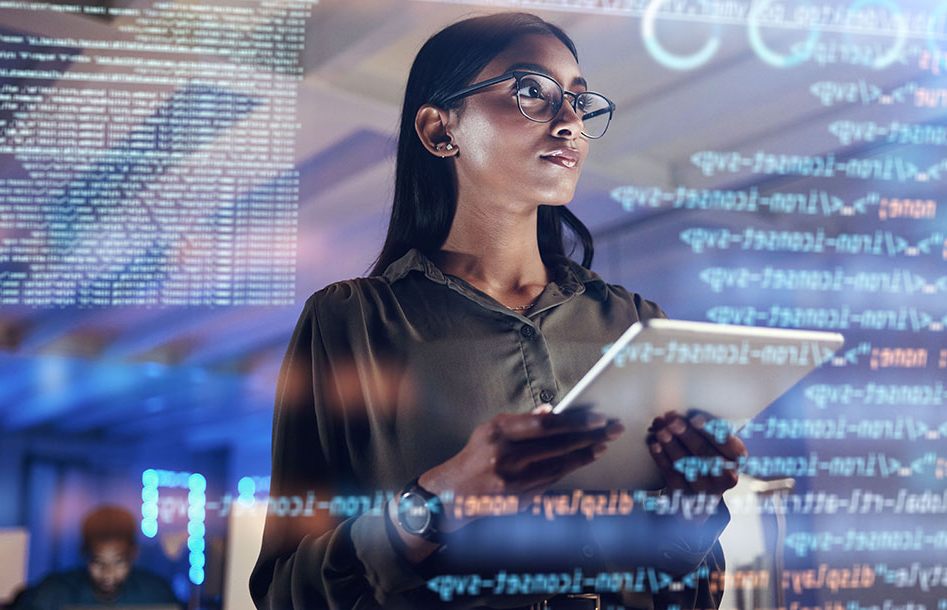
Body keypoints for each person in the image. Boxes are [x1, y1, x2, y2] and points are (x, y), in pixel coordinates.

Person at [250, 12, 747, 610]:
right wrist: (438, 500)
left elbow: (695, 595)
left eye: (580, 102)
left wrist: (691, 508)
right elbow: (285, 594)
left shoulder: (634, 325)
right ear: (439, 131)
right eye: (530, 91)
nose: (570, 123)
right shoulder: (352, 322)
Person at [11, 505, 180, 609]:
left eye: (119, 562)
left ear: (133, 554)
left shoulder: (157, 592)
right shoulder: (53, 592)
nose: (108, 574)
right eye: (98, 562)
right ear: (84, 554)